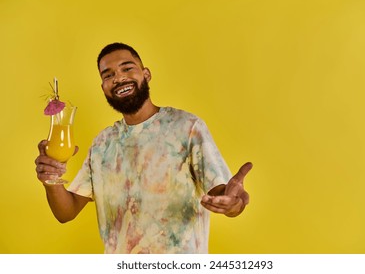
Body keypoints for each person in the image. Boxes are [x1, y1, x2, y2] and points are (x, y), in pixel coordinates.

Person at [35, 42, 252, 254]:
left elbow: (223, 196)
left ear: (146, 74)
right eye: (108, 75)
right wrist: (50, 180)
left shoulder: (187, 127)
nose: (118, 78)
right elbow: (66, 212)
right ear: (103, 88)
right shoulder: (103, 144)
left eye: (127, 68)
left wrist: (235, 203)